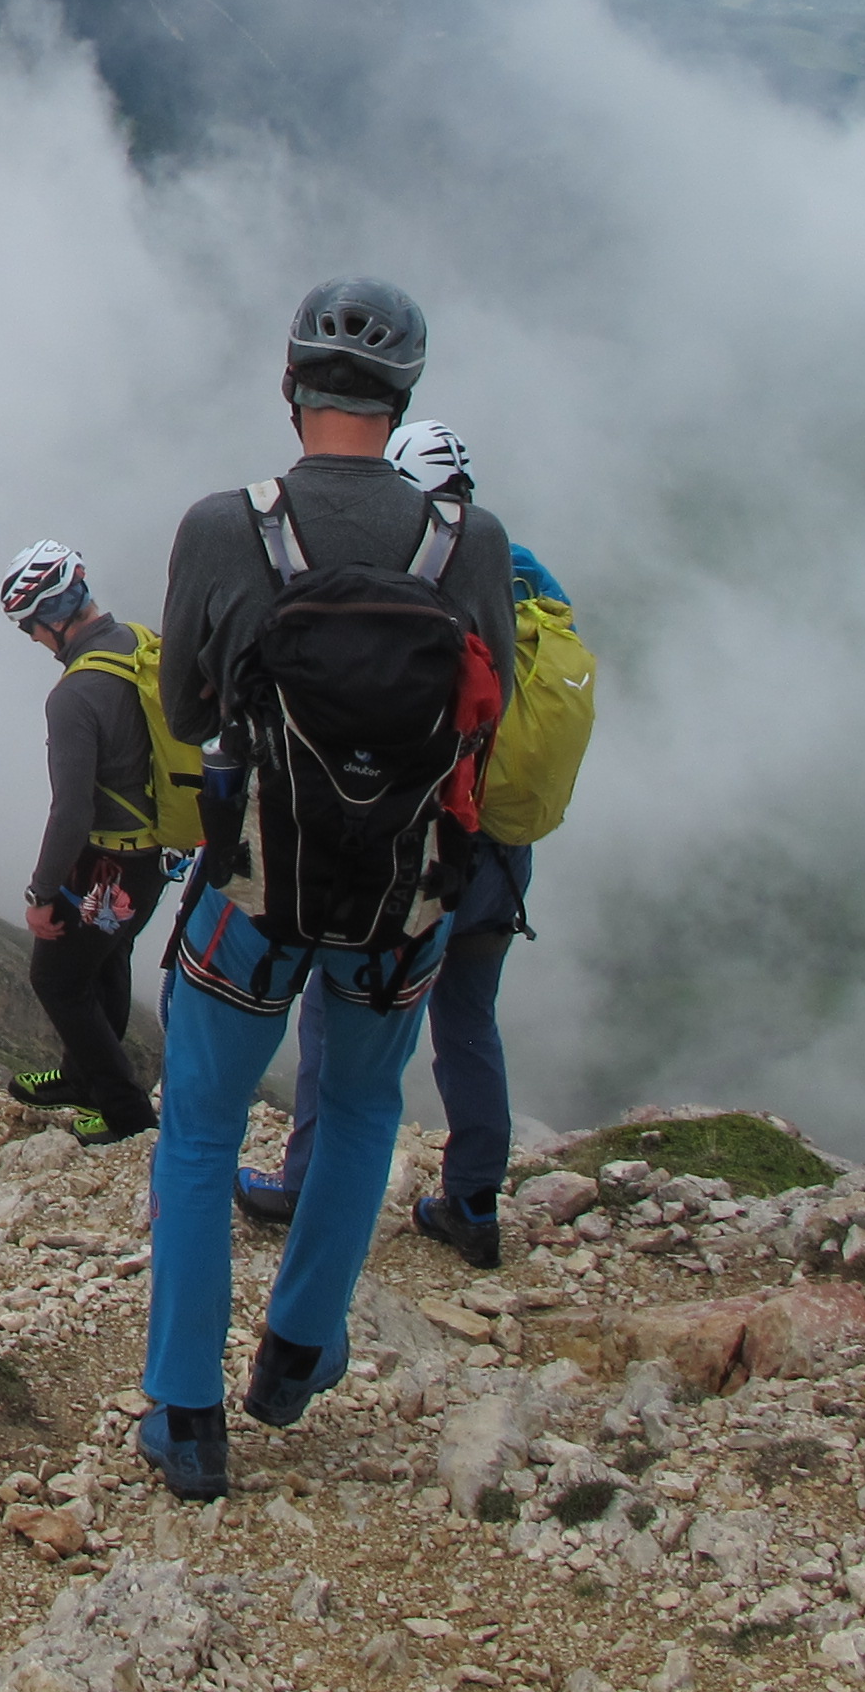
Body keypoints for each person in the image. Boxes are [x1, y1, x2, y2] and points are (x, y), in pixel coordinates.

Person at [136, 278, 521, 1501]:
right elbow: (489, 715)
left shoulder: (224, 527)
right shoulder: (469, 545)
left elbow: (185, 710)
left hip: (257, 891)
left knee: (201, 1131)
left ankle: (187, 1415)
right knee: (359, 1109)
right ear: (403, 397)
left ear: (291, 385)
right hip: (402, 901)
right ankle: (298, 1353)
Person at [236, 422, 572, 1270]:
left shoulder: (422, 573)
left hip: (425, 847)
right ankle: (473, 1204)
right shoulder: (525, 573)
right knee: (470, 1027)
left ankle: (307, 1188)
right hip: (503, 854)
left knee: (338, 1014)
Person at [0, 539, 170, 1147]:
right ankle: (80, 1078)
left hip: (106, 866)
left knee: (57, 980)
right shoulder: (140, 644)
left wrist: (41, 894)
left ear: (51, 616)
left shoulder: (73, 695)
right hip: (153, 858)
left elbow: (71, 811)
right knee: (107, 959)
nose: (33, 639)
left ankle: (124, 1112)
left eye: (29, 627)